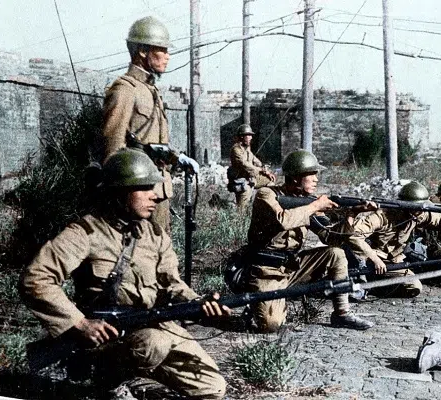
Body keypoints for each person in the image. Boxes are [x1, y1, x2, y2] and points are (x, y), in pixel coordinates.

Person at [20, 149, 228, 399]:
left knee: (212, 388)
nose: (155, 196)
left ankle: (139, 382)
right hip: (106, 338)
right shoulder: (86, 232)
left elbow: (172, 284)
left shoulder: (154, 234)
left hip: (152, 325)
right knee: (153, 343)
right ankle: (109, 382)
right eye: (144, 188)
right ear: (120, 193)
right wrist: (80, 324)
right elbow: (36, 279)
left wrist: (199, 302)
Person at [238, 149, 373, 332]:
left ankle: (342, 313)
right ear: (295, 178)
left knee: (336, 254)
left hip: (293, 267)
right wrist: (315, 206)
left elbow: (331, 237)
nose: (316, 180)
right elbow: (284, 220)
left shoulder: (308, 202)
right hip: (265, 271)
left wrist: (351, 214)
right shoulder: (266, 195)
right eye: (311, 175)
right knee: (271, 325)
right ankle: (254, 303)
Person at [98, 16, 198, 232]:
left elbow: (151, 142)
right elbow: (112, 147)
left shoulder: (151, 90)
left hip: (159, 187)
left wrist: (176, 157)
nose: (168, 57)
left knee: (160, 251)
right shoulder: (125, 90)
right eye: (162, 50)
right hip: (137, 194)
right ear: (143, 51)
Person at [343, 181, 441, 297]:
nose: (422, 212)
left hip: (391, 262)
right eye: (418, 208)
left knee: (413, 287)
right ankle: (361, 283)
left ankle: (373, 286)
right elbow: (354, 235)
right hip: (369, 261)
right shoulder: (382, 216)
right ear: (408, 207)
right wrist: (375, 259)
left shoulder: (418, 214)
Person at [227, 124, 275, 211]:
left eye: (251, 135)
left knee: (270, 180)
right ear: (242, 136)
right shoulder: (236, 150)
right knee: (242, 209)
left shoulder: (247, 148)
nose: (251, 138)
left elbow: (254, 159)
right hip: (241, 180)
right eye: (248, 135)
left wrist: (264, 168)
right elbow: (245, 165)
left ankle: (264, 206)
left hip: (250, 177)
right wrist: (261, 170)